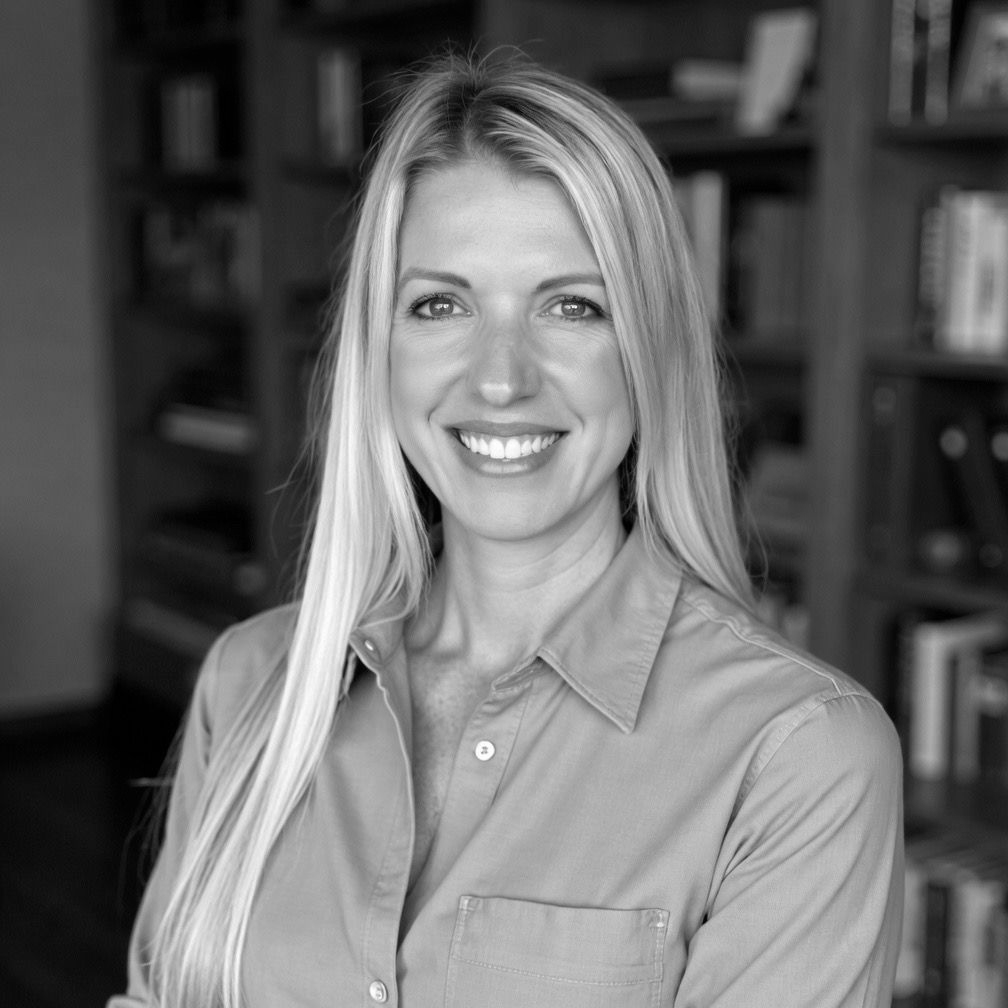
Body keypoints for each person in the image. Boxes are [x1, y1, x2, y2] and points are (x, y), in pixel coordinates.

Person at [109, 51, 903, 1008]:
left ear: (649, 353)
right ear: (381, 350)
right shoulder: (247, 685)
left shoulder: (797, 756)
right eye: (440, 304)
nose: (499, 378)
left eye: (573, 307)